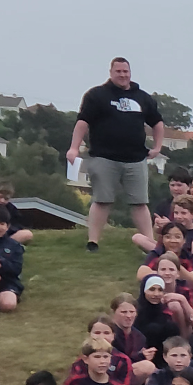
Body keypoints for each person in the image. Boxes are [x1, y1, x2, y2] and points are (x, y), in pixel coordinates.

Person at [68, 57, 165, 252]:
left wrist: (157, 147)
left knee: (139, 202)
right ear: (111, 73)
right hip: (104, 157)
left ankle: (149, 244)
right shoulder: (97, 95)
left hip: (136, 158)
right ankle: (93, 242)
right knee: (102, 200)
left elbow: (157, 123)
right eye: (118, 71)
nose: (122, 75)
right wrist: (74, 148)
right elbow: (82, 122)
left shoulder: (143, 97)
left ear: (130, 73)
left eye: (125, 71)